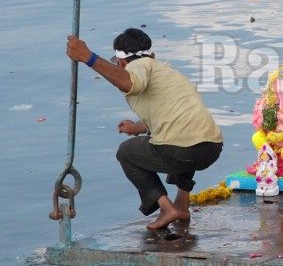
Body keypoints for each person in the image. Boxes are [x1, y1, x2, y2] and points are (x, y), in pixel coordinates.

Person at [65, 27, 224, 229]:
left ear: (121, 62)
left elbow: (132, 83)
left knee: (126, 152)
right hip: (211, 147)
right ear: (153, 55)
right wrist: (136, 128)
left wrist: (89, 57)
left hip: (180, 150)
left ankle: (167, 208)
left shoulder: (138, 65)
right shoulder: (167, 72)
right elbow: (171, 117)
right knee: (184, 140)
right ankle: (182, 206)